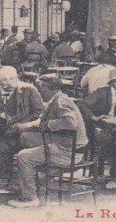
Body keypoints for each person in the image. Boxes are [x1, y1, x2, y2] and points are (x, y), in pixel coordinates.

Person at [8, 73, 89, 208]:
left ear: (47, 88)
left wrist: (48, 125)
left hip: (69, 152)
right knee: (24, 137)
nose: (39, 91)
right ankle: (31, 177)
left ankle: (30, 198)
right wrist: (23, 127)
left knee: (23, 157)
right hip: (64, 143)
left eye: (40, 88)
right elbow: (41, 122)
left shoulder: (61, 101)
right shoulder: (56, 99)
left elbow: (70, 123)